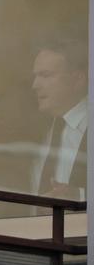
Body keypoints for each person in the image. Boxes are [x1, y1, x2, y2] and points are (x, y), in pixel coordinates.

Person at [31, 37, 87, 199]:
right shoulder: (34, 130)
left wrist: (80, 196)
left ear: (78, 79)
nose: (35, 85)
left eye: (46, 75)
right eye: (35, 76)